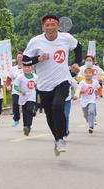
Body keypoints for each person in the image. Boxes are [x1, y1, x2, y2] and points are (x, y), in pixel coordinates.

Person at [23, 14, 82, 156]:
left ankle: (61, 138)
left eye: (53, 25)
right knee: (49, 114)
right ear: (43, 27)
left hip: (62, 80)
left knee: (58, 107)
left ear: (58, 26)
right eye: (47, 25)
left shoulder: (66, 38)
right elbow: (25, 61)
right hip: (44, 84)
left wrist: (76, 63)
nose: (50, 28)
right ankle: (57, 139)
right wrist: (38, 58)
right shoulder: (36, 41)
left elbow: (78, 47)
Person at [13, 63, 38, 136]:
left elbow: (37, 86)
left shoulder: (35, 77)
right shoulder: (20, 77)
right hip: (23, 97)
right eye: (25, 67)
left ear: (32, 68)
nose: (27, 68)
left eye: (28, 67)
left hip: (32, 96)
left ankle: (28, 126)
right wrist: (20, 90)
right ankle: (25, 127)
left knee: (29, 109)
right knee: (25, 112)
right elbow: (16, 86)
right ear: (23, 68)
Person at [77, 67, 100, 134]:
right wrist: (83, 91)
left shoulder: (95, 82)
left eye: (89, 73)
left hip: (92, 100)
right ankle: (90, 121)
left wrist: (99, 95)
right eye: (86, 73)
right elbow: (78, 90)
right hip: (83, 101)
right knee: (85, 115)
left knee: (91, 111)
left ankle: (91, 126)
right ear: (84, 74)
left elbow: (99, 88)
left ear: (92, 74)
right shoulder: (82, 82)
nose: (88, 74)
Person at [6, 52, 23, 127]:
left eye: (21, 57)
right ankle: (16, 119)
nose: (19, 59)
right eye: (18, 57)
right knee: (15, 104)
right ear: (17, 59)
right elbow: (8, 79)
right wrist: (8, 85)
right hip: (16, 89)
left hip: (25, 90)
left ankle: (27, 121)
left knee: (25, 106)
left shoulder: (26, 67)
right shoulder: (13, 69)